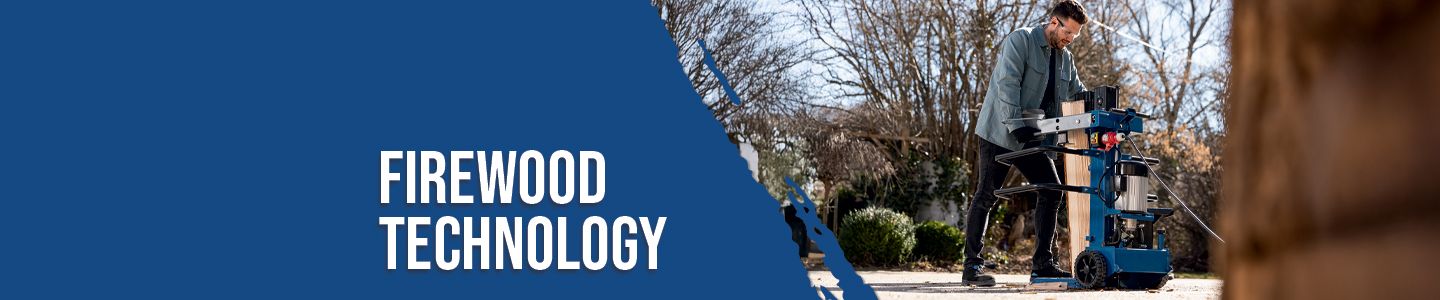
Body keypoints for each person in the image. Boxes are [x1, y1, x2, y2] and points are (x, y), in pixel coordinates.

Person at [962, 0, 1089, 287]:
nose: (1071, 39)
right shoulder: (1021, 40)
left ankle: (1043, 265)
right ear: (1054, 22)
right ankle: (972, 267)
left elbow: (1077, 93)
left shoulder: (1065, 59)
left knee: (1052, 190)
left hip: (1033, 136)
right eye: (1068, 32)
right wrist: (1016, 124)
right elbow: (1007, 84)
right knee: (987, 195)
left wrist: (1100, 104)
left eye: (1075, 35)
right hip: (1000, 131)